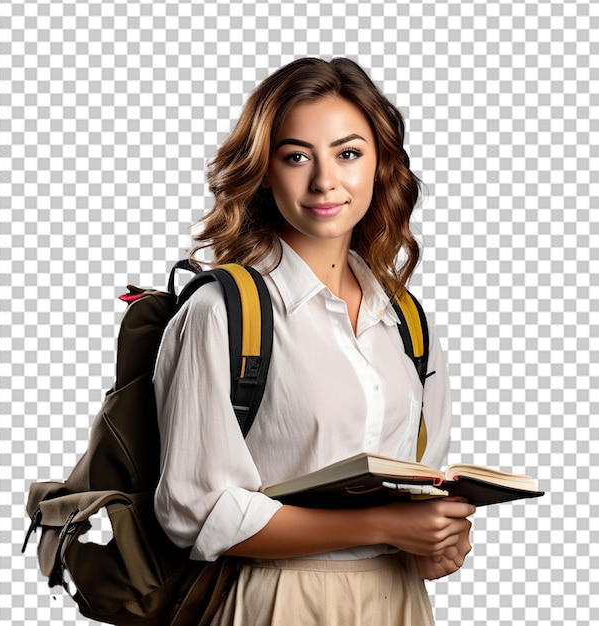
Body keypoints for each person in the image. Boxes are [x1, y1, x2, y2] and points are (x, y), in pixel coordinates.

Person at [153, 57, 474, 625]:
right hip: (277, 603)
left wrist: (437, 543)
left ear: (380, 165)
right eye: (296, 156)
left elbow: (420, 489)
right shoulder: (222, 312)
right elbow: (197, 512)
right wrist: (381, 526)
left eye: (348, 154)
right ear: (264, 170)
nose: (324, 180)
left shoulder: (405, 319)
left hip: (398, 603)